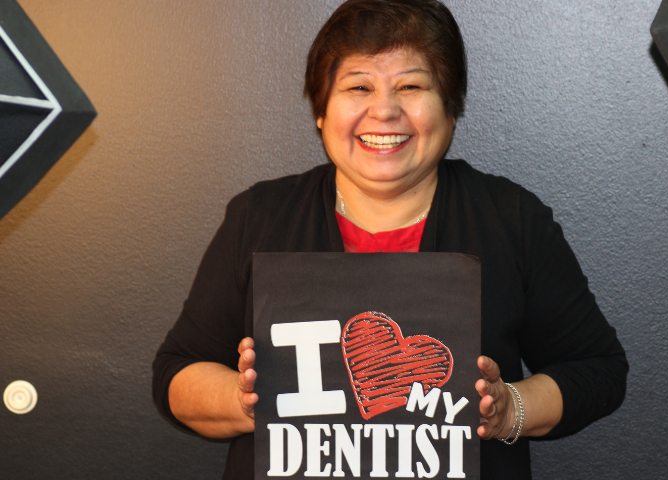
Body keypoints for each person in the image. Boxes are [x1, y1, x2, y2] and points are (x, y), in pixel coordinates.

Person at [153, 0, 628, 478]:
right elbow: (177, 373)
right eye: (358, 86)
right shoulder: (259, 216)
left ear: (451, 106)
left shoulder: (511, 219)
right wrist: (244, 402)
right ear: (321, 110)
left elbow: (597, 370)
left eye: (411, 86)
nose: (384, 110)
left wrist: (510, 409)